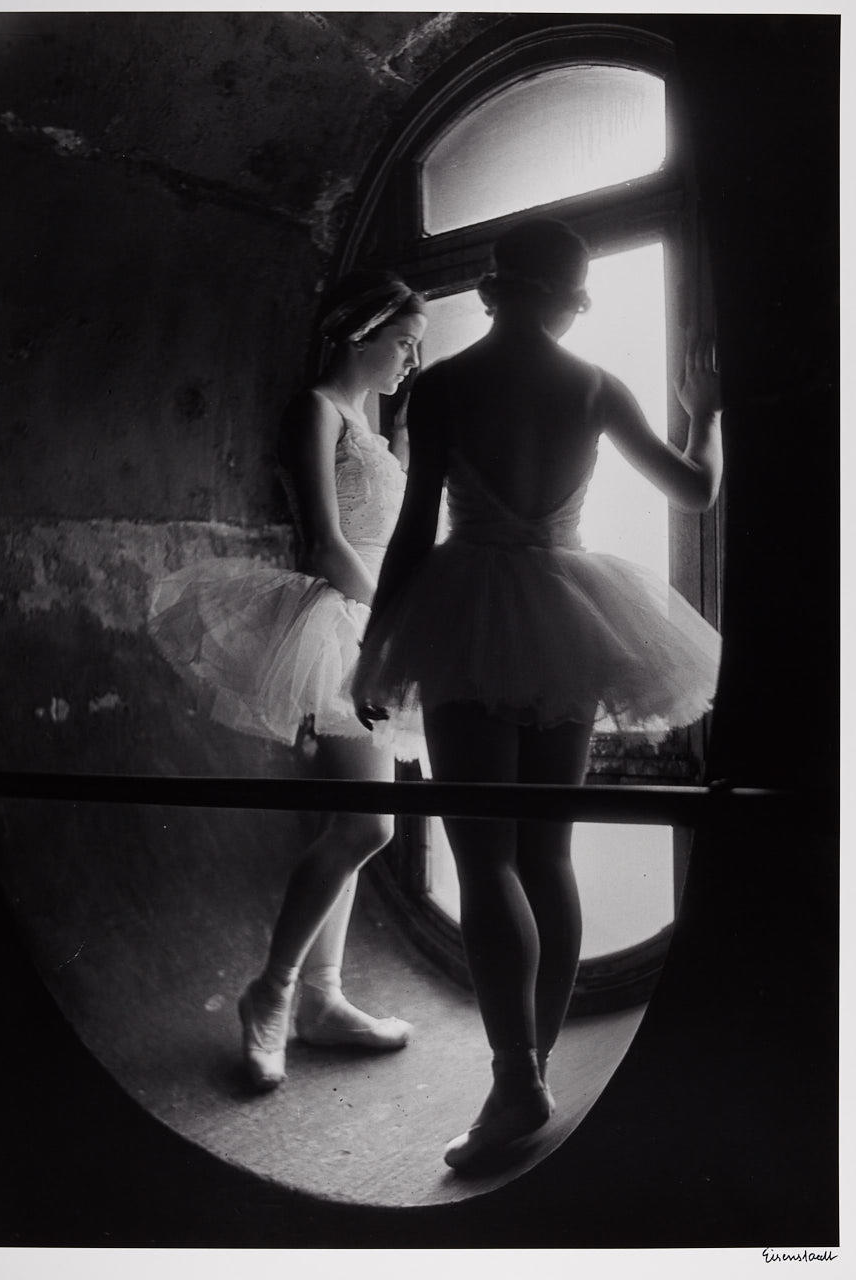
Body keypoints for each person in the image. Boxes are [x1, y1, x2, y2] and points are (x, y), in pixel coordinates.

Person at [353, 218, 723, 1171]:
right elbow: (694, 492)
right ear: (573, 298)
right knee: (547, 855)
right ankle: (533, 1069)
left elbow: (411, 532)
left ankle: (516, 1079)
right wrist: (706, 416)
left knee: (485, 861)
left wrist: (375, 648)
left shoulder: (442, 386)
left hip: (465, 610)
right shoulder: (595, 386)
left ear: (491, 289)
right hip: (567, 611)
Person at [149, 270, 427, 1090]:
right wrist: (391, 631)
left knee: (361, 822)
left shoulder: (371, 422)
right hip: (344, 619)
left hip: (373, 616)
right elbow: (324, 544)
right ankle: (272, 993)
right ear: (362, 333)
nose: (410, 361)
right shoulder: (317, 408)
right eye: (403, 343)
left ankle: (321, 1000)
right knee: (368, 827)